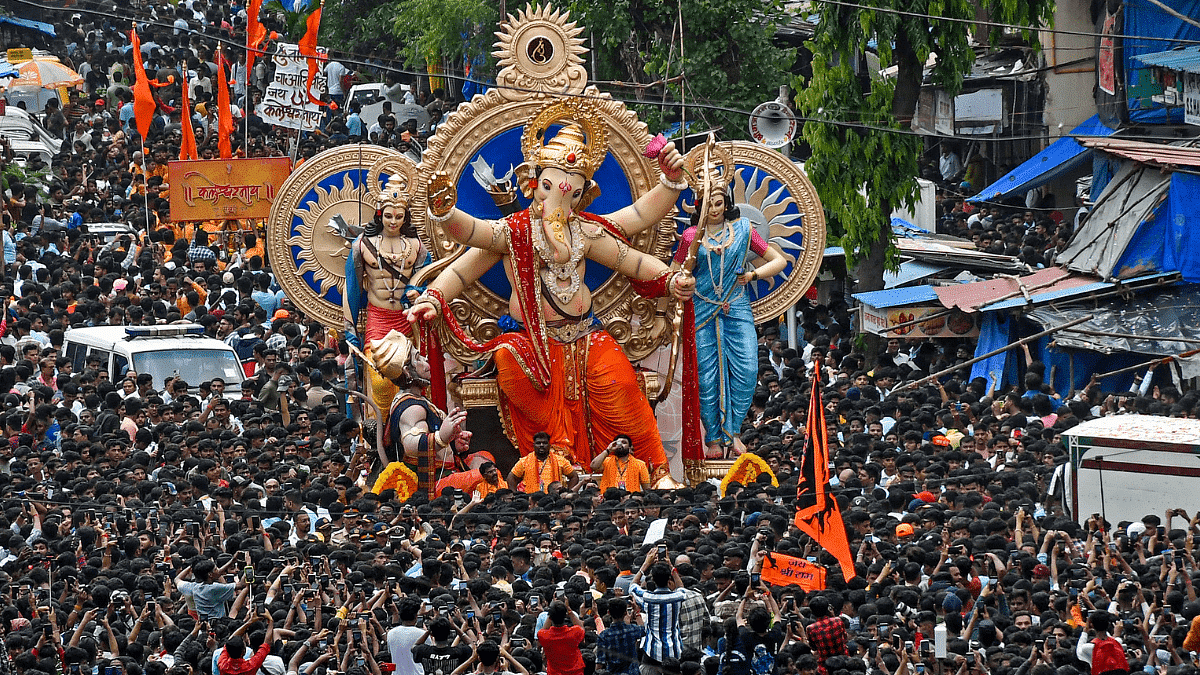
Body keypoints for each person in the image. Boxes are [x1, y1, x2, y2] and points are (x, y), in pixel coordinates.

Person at [407, 98, 692, 472]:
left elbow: (634, 241)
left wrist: (669, 275)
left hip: (586, 336)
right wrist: (442, 226)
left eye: (571, 192)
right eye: (548, 187)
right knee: (510, 362)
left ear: (582, 194)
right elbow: (463, 262)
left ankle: (653, 470)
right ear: (531, 183)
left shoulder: (584, 230)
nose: (558, 199)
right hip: (531, 342)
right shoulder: (512, 232)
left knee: (622, 384)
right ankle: (559, 463)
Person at [677, 185, 784, 458]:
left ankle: (734, 432)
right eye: (709, 204)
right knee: (706, 376)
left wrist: (753, 276)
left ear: (727, 203)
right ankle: (713, 438)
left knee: (747, 370)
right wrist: (682, 282)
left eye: (719, 203)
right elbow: (674, 272)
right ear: (700, 206)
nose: (715, 209)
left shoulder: (744, 231)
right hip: (702, 308)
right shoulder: (692, 236)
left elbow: (778, 260)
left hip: (736, 306)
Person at [344, 164, 430, 413]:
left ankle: (408, 429)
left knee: (412, 379)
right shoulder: (363, 244)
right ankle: (379, 434)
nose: (393, 221)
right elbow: (352, 289)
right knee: (380, 382)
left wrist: (417, 289)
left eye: (399, 216)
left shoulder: (416, 246)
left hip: (407, 320)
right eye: (389, 216)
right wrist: (350, 332)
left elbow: (427, 278)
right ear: (379, 214)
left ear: (406, 217)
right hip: (378, 319)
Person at [371, 329, 468, 499]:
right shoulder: (412, 408)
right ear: (407, 372)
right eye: (418, 358)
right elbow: (410, 444)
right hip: (436, 481)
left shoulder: (415, 398)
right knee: (483, 478)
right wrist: (442, 437)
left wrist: (453, 442)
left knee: (484, 459)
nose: (425, 361)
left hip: (445, 470)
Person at [507, 431, 578, 493]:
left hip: (554, 500)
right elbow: (511, 477)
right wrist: (514, 494)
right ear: (534, 445)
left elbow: (574, 476)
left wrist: (568, 492)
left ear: (549, 445)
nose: (541, 445)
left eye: (544, 443)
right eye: (538, 443)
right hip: (533, 500)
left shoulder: (560, 460)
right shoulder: (524, 461)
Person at [537, 601, 585, 675]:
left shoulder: (544, 636)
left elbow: (543, 630)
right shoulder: (574, 632)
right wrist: (569, 610)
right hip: (576, 672)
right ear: (565, 615)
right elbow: (581, 628)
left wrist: (552, 612)